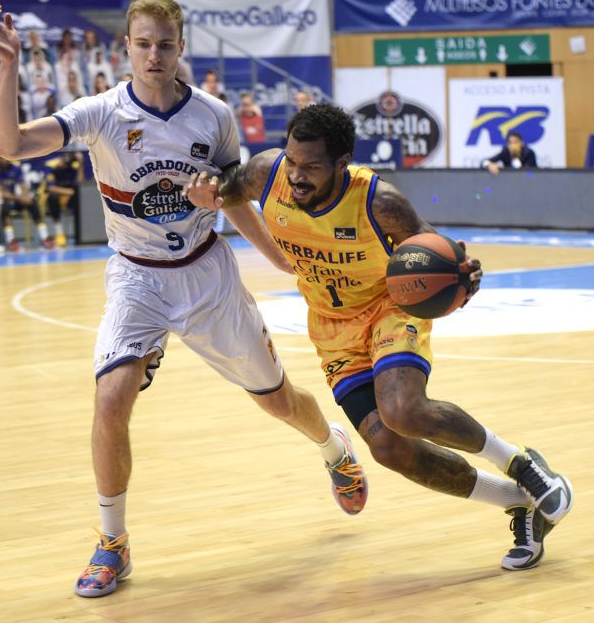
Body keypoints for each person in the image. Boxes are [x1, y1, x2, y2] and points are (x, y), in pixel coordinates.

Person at [0, 0, 370, 598]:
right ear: (127, 47)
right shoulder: (101, 112)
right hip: (136, 275)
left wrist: (288, 263)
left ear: (180, 46)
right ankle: (114, 542)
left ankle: (333, 448)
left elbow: (235, 198)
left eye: (165, 43)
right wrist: (8, 66)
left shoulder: (213, 115)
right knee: (111, 398)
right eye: (143, 43)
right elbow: (10, 144)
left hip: (205, 273)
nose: (154, 54)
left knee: (278, 400)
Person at [186, 103, 574, 571]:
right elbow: (227, 190)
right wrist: (209, 192)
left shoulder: (379, 201)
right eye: (292, 161)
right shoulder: (267, 174)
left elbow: (435, 251)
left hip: (387, 309)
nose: (297, 175)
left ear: (342, 161)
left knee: (403, 411)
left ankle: (520, 463)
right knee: (388, 448)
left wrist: (462, 276)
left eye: (311, 166)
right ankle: (517, 502)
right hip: (331, 328)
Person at [42, 151, 81, 247]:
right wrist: (69, 192)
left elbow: (80, 184)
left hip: (68, 196)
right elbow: (51, 188)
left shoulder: (72, 168)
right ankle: (59, 232)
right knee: (52, 198)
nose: (62, 164)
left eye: (65, 163)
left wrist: (81, 164)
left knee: (81, 198)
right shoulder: (50, 166)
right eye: (62, 161)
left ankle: (80, 234)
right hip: (51, 194)